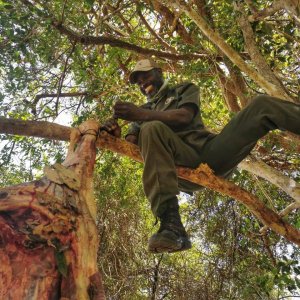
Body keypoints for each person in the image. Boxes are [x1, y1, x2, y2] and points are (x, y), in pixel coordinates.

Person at [102, 58, 300, 254]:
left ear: (159, 72)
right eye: (138, 82)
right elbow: (132, 147)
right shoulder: (141, 113)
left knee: (261, 105)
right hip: (179, 169)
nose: (143, 83)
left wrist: (140, 114)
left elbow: (185, 117)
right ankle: (172, 226)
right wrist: (115, 135)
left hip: (209, 153)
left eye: (146, 76)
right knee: (151, 129)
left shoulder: (182, 89)